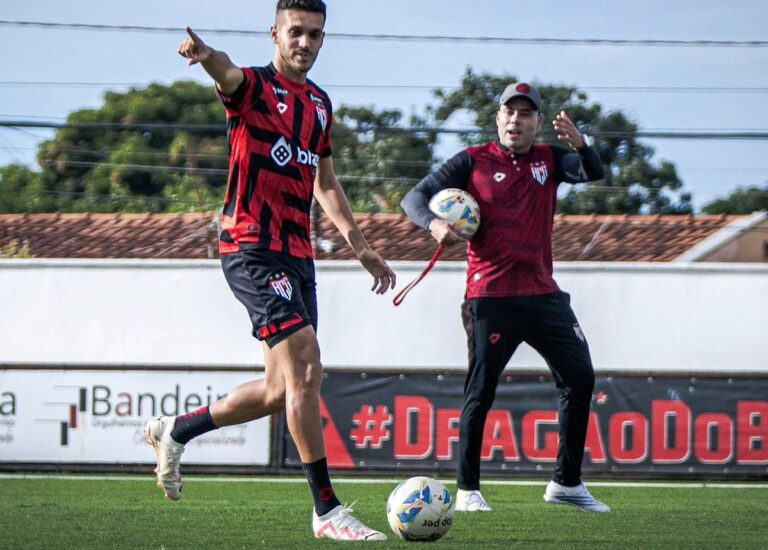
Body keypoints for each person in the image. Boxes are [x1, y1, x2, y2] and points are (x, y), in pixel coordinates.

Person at [145, 0, 395, 541]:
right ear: (275, 34)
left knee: (284, 387)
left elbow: (325, 184)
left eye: (315, 34)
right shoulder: (254, 87)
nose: (305, 42)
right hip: (250, 247)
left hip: (298, 256)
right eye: (296, 32)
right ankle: (327, 510)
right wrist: (205, 53)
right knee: (307, 361)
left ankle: (176, 429)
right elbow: (226, 70)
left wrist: (360, 246)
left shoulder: (321, 104)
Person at [401, 82, 610, 513]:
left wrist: (583, 145)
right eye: (509, 113)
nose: (516, 120)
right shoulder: (472, 160)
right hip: (490, 296)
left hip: (543, 294)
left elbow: (593, 173)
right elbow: (413, 197)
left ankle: (566, 484)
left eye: (526, 114)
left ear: (537, 123)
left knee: (581, 377)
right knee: (481, 389)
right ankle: (468, 490)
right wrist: (433, 225)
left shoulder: (550, 160)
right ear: (498, 118)